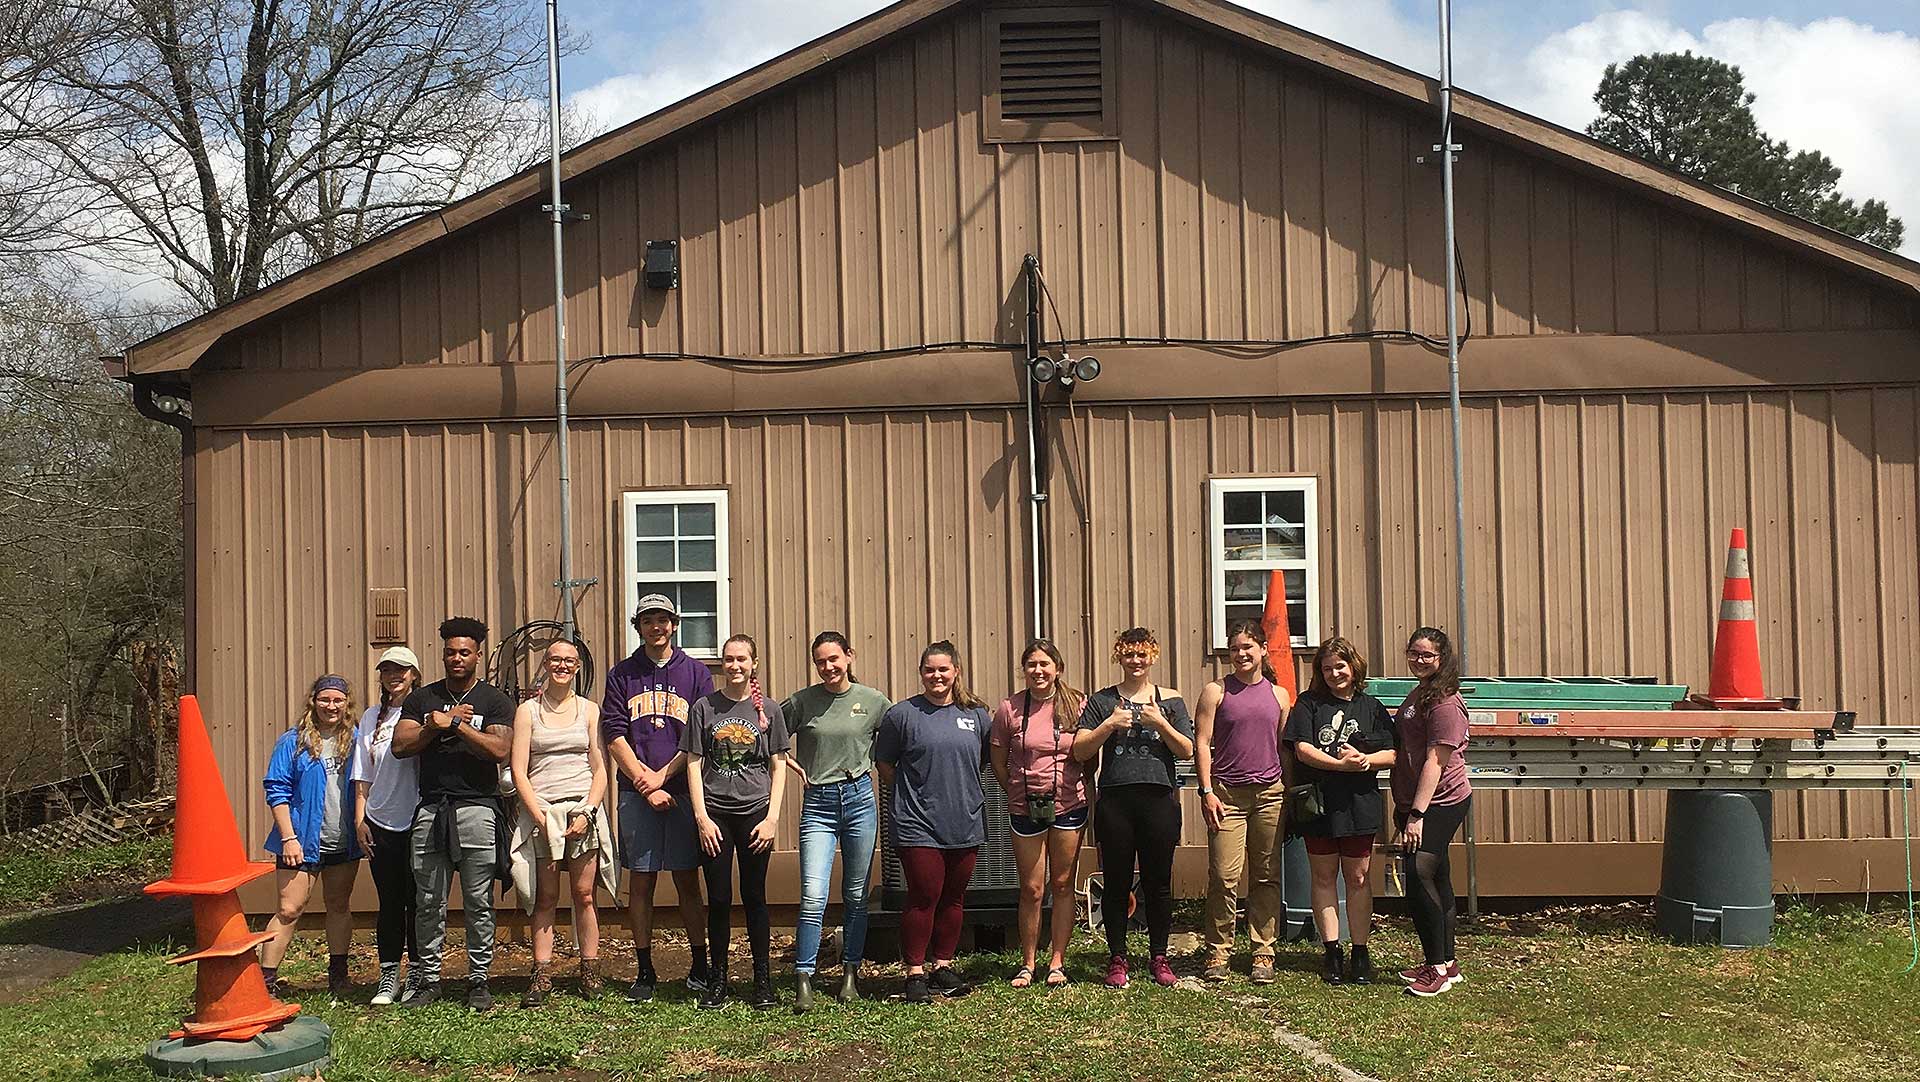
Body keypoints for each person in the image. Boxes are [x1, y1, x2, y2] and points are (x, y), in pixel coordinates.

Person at [391, 617, 517, 1011]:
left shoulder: (494, 700)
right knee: (429, 901)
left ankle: (478, 980)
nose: (456, 658)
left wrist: (458, 725)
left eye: (465, 652)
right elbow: (401, 744)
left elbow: (500, 751)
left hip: (478, 808)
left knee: (479, 900)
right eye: (450, 652)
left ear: (478, 655)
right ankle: (429, 979)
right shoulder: (422, 699)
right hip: (432, 809)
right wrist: (434, 725)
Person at [601, 593, 714, 1002]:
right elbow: (613, 733)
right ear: (639, 626)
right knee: (642, 881)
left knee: (688, 879)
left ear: (674, 624)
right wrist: (644, 783)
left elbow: (700, 736)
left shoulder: (697, 673)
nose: (657, 627)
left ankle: (699, 964)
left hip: (684, 790)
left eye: (663, 620)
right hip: (636, 794)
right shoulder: (622, 675)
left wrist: (663, 779)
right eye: (648, 620)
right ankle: (644, 969)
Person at [1073, 627, 1195, 990]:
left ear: (1153, 656)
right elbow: (1081, 750)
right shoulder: (1101, 701)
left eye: (1142, 655)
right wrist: (1109, 724)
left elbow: (1187, 750)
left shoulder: (1170, 701)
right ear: (1119, 657)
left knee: (1158, 883)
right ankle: (1117, 957)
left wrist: (1160, 723)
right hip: (1116, 800)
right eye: (1129, 654)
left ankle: (1159, 955)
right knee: (1116, 882)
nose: (1136, 661)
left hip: (1159, 799)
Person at [876, 640, 992, 1005]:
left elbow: (985, 760)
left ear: (956, 671)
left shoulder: (976, 716)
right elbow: (884, 764)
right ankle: (914, 972)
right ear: (921, 673)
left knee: (954, 898)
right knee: (924, 895)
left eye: (943, 669)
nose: (936, 676)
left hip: (965, 821)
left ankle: (942, 966)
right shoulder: (902, 715)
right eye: (930, 670)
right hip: (917, 823)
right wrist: (914, 791)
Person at [782, 631, 891, 1012]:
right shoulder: (802, 702)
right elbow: (769, 734)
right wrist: (788, 763)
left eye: (834, 659)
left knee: (856, 895)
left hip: (860, 798)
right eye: (820, 662)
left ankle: (850, 974)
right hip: (819, 804)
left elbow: (894, 737)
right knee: (813, 895)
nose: (828, 667)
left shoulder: (872, 701)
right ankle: (804, 978)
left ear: (849, 656)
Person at [684, 634, 790, 1010]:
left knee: (755, 896)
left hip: (755, 813)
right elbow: (694, 763)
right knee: (718, 898)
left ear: (754, 663)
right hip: (716, 815)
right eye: (729, 659)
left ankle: (762, 979)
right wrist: (701, 817)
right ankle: (718, 978)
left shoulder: (770, 711)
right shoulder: (704, 708)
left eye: (742, 659)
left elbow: (778, 766)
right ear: (721, 664)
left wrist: (772, 818)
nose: (735, 666)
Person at [508, 639, 616, 1006]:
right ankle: (541, 973)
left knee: (584, 895)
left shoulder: (590, 711)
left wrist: (588, 811)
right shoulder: (527, 712)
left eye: (569, 661)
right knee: (546, 897)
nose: (562, 666)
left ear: (578, 667)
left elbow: (600, 768)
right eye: (555, 660)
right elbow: (519, 770)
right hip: (543, 813)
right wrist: (539, 818)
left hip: (581, 812)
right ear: (545, 664)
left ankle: (590, 969)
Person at [1283, 637, 1396, 986]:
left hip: (1359, 805)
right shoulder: (1308, 704)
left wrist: (1363, 762)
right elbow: (1301, 748)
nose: (1334, 674)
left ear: (1354, 666)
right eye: (1327, 668)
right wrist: (1337, 765)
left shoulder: (1372, 707)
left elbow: (1392, 753)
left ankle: (1359, 950)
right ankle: (1332, 951)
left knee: (1359, 878)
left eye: (1340, 666)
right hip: (1318, 804)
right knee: (1323, 876)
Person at [1192, 620, 1292, 984]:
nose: (1241, 654)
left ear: (1263, 649)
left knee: (1266, 875)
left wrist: (1290, 790)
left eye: (1248, 647)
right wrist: (1206, 791)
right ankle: (1218, 949)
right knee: (1223, 874)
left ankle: (1263, 951)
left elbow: (1285, 747)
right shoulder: (1215, 692)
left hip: (1270, 794)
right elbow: (1201, 743)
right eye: (1235, 649)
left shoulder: (1279, 695)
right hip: (1226, 795)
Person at [989, 639, 1089, 989]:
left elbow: (1089, 755)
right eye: (1031, 664)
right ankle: (1028, 962)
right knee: (1032, 889)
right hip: (1025, 807)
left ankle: (1058, 961)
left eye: (1045, 664)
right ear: (1024, 669)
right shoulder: (1010, 709)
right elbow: (999, 762)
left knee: (1062, 885)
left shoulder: (1077, 704)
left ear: (1057, 668)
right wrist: (1018, 789)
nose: (1039, 670)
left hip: (1069, 805)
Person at [260, 674, 364, 998]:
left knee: (338, 905)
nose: (331, 706)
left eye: (337, 700)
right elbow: (277, 791)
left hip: (343, 841)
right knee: (289, 909)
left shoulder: (357, 741)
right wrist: (288, 837)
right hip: (300, 840)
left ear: (346, 704)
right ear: (313, 702)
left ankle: (338, 976)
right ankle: (264, 983)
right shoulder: (293, 742)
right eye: (325, 700)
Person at [1393, 626, 1473, 998]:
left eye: (1427, 655)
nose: (1419, 660)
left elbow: (1436, 761)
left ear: (1442, 658)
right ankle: (1447, 961)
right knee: (1438, 875)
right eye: (1414, 653)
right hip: (1419, 801)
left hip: (1440, 801)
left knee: (1418, 871)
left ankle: (1436, 968)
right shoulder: (1421, 693)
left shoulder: (1444, 702)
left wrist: (1417, 815)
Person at [352, 647, 423, 1005]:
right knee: (390, 902)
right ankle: (388, 975)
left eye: (401, 671)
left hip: (418, 820)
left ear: (413, 675)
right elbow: (362, 774)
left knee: (418, 901)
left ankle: (417, 975)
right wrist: (359, 819)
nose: (394, 677)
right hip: (380, 821)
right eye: (387, 671)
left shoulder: (426, 712)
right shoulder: (370, 718)